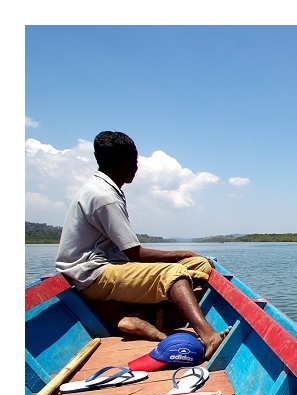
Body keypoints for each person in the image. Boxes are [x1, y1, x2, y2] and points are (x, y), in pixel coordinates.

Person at [55, 131, 228, 359]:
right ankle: (208, 336)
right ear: (125, 162)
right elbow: (135, 254)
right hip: (92, 273)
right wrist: (183, 252)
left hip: (110, 266)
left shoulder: (106, 189)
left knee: (199, 264)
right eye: (134, 162)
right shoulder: (103, 196)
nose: (136, 168)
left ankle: (137, 315)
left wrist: (189, 257)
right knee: (174, 271)